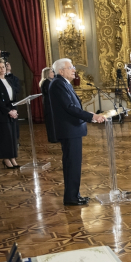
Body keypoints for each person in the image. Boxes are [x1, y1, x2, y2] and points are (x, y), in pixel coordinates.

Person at [48, 59, 105, 205]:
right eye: (70, 67)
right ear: (61, 71)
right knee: (72, 163)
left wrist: (87, 114)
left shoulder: (63, 83)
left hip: (72, 129)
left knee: (73, 163)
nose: (74, 70)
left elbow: (72, 106)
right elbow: (69, 107)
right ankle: (71, 198)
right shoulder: (58, 84)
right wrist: (92, 116)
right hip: (69, 130)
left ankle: (74, 195)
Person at [0, 57, 20, 169]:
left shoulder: (9, 79)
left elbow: (14, 95)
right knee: (4, 137)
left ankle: (13, 157)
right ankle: (6, 159)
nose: (2, 69)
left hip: (12, 110)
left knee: (12, 136)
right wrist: (9, 111)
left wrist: (14, 109)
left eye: (3, 67)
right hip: (1, 112)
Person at [40, 66, 57, 143]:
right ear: (47, 74)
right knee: (51, 122)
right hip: (49, 105)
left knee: (53, 122)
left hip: (50, 104)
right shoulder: (46, 82)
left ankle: (55, 137)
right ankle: (53, 138)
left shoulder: (49, 81)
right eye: (51, 72)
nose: (53, 73)